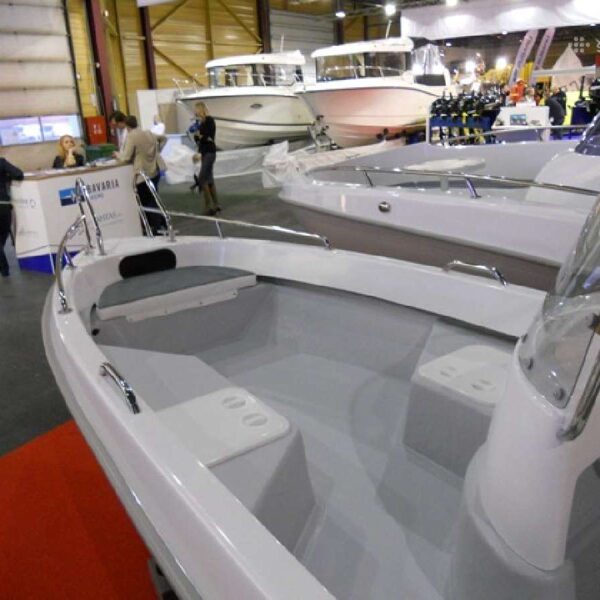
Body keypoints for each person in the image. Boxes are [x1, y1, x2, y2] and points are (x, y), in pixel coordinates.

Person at [114, 115, 167, 235]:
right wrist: (158, 150)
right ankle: (160, 224)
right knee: (154, 199)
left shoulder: (132, 136)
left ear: (127, 126)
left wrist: (117, 155)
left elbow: (126, 157)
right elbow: (164, 138)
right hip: (154, 171)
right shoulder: (148, 133)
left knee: (145, 202)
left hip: (142, 175)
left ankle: (153, 228)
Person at [190, 102, 219, 216]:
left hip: (210, 153)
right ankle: (216, 204)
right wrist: (198, 151)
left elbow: (208, 137)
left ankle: (208, 206)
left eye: (196, 110)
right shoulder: (201, 123)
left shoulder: (209, 120)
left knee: (202, 178)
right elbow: (200, 140)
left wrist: (200, 136)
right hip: (205, 152)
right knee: (209, 178)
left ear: (200, 109)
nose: (195, 112)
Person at [0, 156, 24, 277]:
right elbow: (19, 174)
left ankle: (4, 268)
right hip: (3, 206)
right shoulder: (1, 162)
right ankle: (4, 269)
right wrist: (6, 177)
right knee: (2, 236)